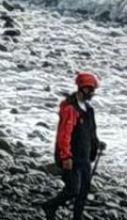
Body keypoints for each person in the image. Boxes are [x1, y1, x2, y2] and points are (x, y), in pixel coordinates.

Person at [41, 72, 107, 220]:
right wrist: (65, 155)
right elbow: (64, 134)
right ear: (82, 88)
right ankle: (50, 205)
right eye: (90, 89)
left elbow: (91, 132)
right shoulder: (70, 109)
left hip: (85, 155)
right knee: (73, 190)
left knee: (83, 191)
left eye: (93, 89)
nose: (92, 93)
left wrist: (97, 143)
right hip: (72, 156)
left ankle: (77, 218)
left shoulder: (89, 110)